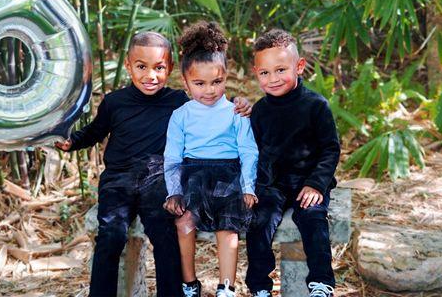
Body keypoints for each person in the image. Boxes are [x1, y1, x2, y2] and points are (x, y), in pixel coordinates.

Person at [55, 31, 251, 296]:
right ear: (128, 66)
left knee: (163, 231)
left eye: (159, 67)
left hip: (158, 177)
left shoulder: (179, 102)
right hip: (118, 178)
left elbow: (212, 110)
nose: (151, 75)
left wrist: (242, 104)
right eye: (141, 67)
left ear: (169, 68)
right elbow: (95, 132)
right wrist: (71, 142)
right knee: (111, 234)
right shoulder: (115, 102)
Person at [163, 21, 258, 297]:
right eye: (199, 83)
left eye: (217, 81)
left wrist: (249, 185)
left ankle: (226, 286)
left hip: (229, 174)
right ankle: (190, 283)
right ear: (186, 82)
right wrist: (174, 191)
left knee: (228, 228)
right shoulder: (181, 115)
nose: (210, 90)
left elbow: (248, 150)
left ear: (226, 77)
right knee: (184, 222)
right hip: (192, 175)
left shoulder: (235, 112)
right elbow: (172, 155)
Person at [245, 29, 340, 297]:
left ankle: (321, 283)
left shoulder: (315, 105)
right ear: (256, 73)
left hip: (307, 181)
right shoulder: (260, 111)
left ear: (299, 67)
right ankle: (260, 287)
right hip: (272, 182)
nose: (273, 79)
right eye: (265, 73)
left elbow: (330, 149)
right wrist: (254, 187)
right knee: (260, 221)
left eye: (280, 70)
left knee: (313, 218)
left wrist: (316, 184)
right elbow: (255, 150)